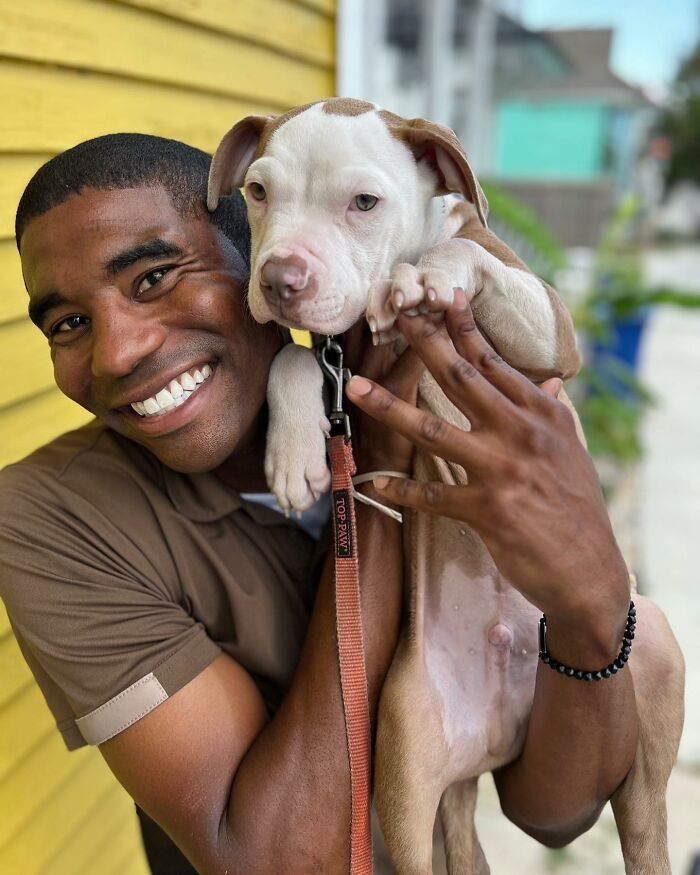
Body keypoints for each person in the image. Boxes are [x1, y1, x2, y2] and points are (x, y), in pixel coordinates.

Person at [1, 133, 640, 875]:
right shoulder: (50, 517)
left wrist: (591, 597)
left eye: (154, 278)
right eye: (69, 324)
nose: (117, 351)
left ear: (264, 258)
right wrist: (370, 471)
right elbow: (273, 860)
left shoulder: (460, 448)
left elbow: (554, 809)